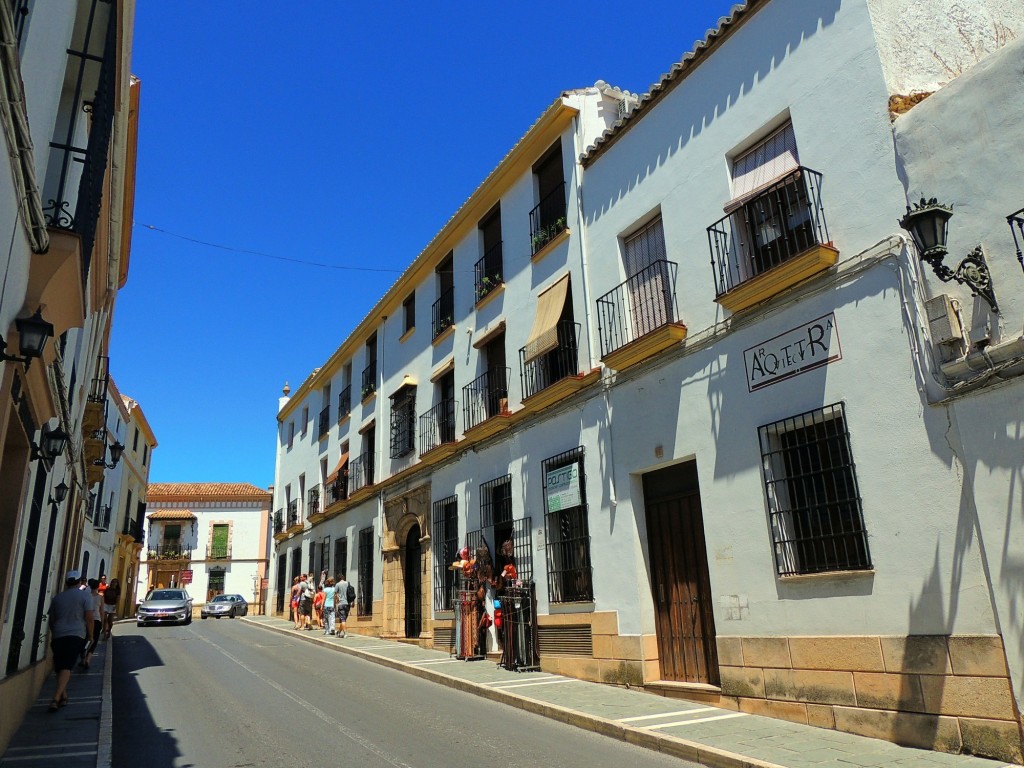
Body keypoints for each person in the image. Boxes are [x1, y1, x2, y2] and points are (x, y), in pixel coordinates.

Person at [47, 571, 94, 712]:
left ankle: (64, 695)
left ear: (66, 582)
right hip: (76, 634)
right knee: (67, 666)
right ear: (80, 581)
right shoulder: (85, 595)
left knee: (60, 666)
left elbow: (52, 620)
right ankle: (55, 698)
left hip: (58, 635)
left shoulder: (57, 598)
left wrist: (55, 632)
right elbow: (89, 617)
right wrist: (91, 635)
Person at [80, 579, 103, 669]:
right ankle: (88, 660)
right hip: (97, 621)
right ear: (98, 586)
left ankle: (83, 658)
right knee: (94, 640)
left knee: (85, 640)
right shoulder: (100, 597)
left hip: (85, 620)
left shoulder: (85, 596)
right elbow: (102, 612)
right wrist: (104, 624)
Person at [335, 572, 351, 638]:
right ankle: (339, 632)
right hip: (347, 604)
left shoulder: (337, 584)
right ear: (343, 578)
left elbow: (335, 594)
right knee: (344, 619)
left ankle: (345, 633)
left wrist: (336, 601)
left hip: (341, 603)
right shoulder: (348, 583)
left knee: (343, 619)